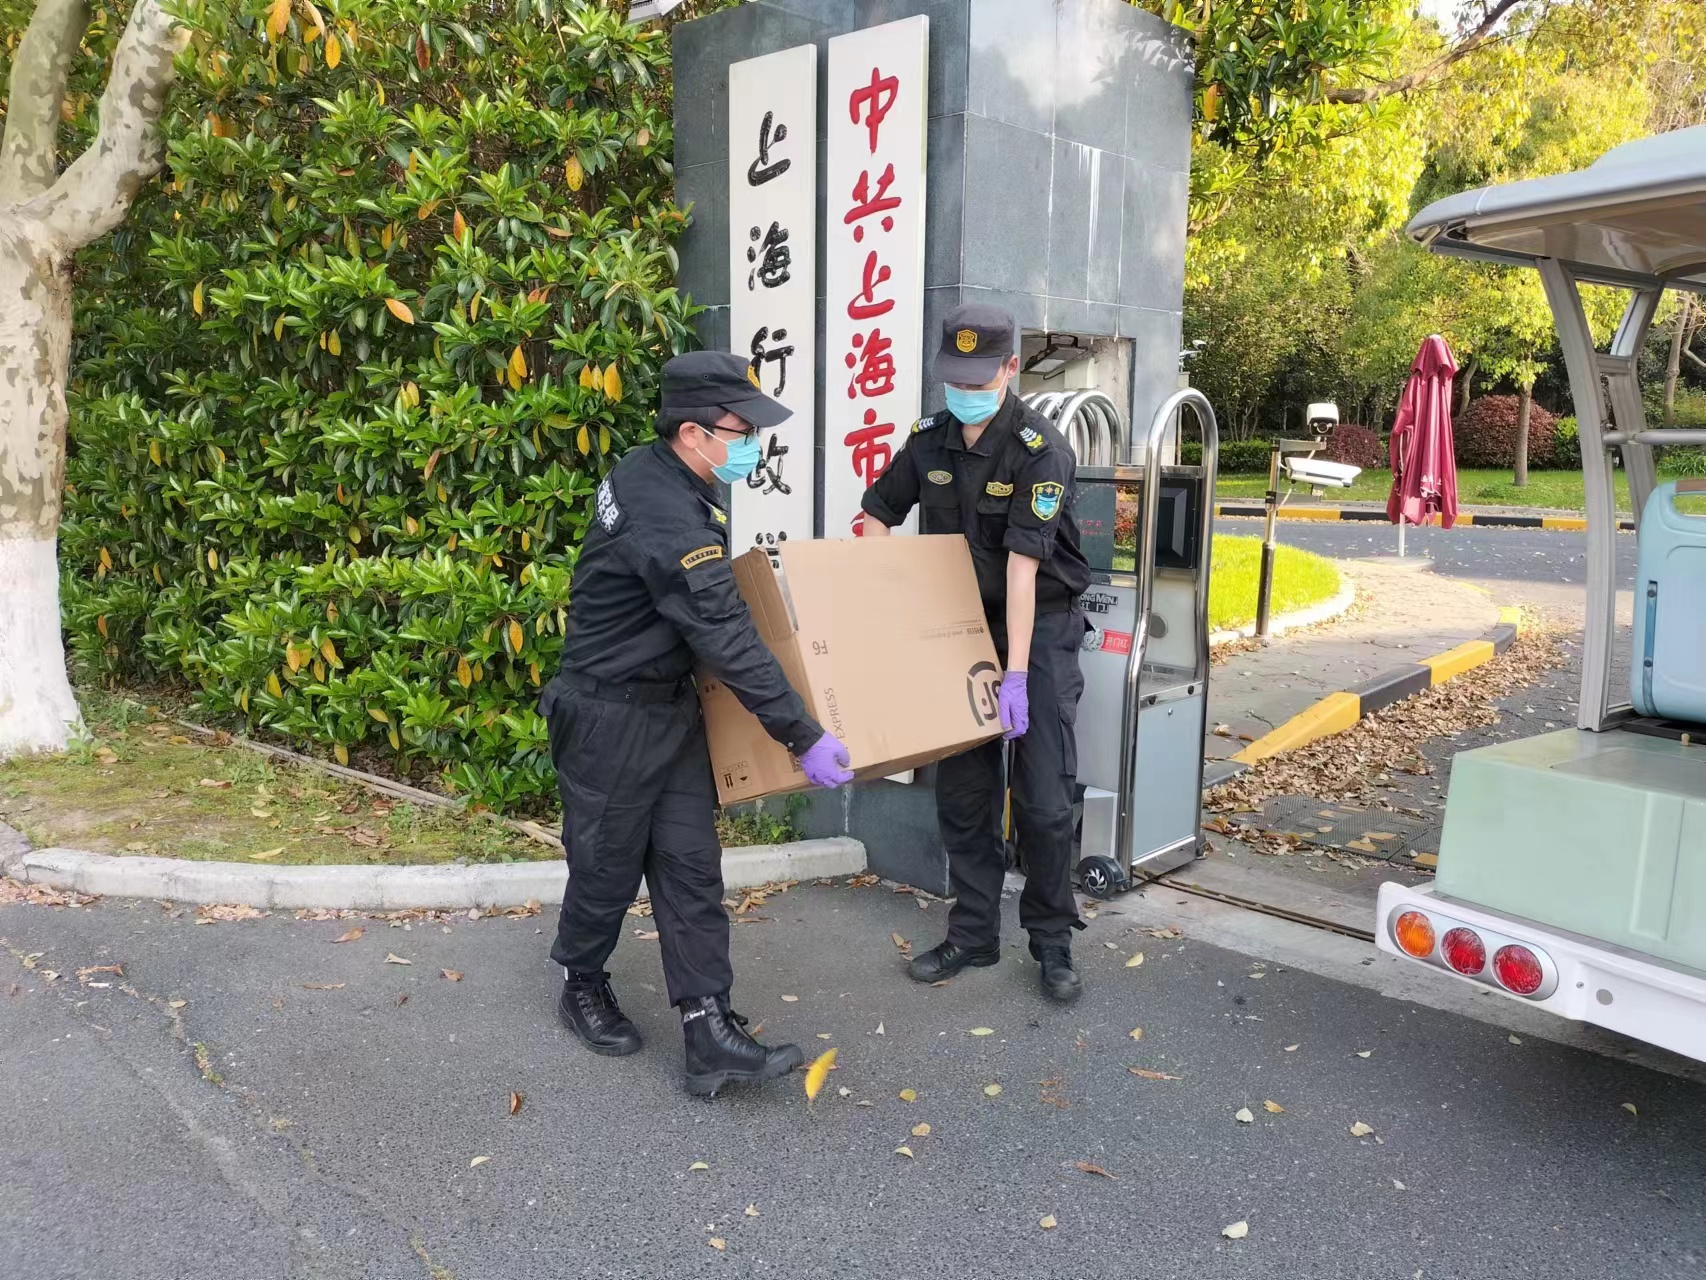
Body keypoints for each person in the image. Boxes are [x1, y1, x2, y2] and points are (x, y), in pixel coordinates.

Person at [541, 350, 854, 1096]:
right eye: (743, 432)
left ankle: (707, 1027)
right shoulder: (664, 510)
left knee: (690, 867)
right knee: (606, 867)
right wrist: (802, 733)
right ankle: (580, 982)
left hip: (666, 710)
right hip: (609, 716)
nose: (753, 447)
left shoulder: (664, 474)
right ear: (693, 432)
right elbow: (723, 631)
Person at [859, 303, 1092, 1003]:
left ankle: (1051, 939)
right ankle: (973, 934)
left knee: (1043, 801)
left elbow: (1022, 572)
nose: (964, 391)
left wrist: (1015, 676)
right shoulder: (929, 440)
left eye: (978, 378)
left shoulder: (1040, 450)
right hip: (960, 629)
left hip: (1038, 630)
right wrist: (893, 601)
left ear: (1010, 368)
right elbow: (876, 515)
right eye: (954, 378)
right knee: (964, 795)